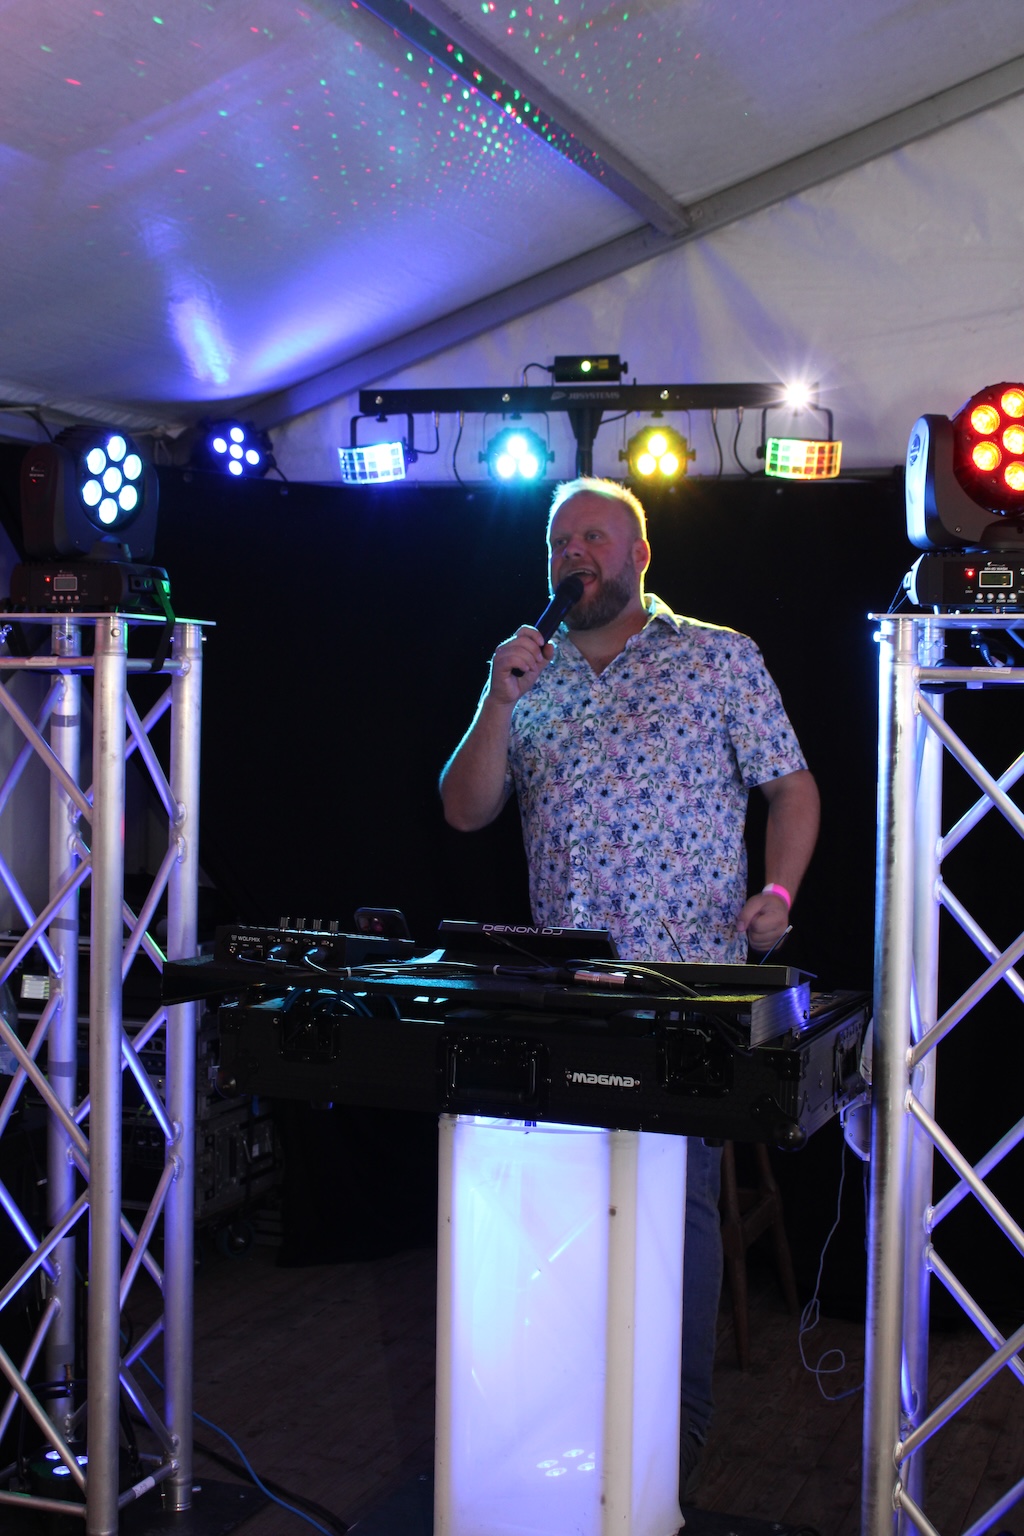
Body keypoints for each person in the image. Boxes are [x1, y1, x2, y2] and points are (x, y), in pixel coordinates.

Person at [440, 475, 819, 1501]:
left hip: (686, 985)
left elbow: (792, 788)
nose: (574, 555)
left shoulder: (716, 656)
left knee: (672, 1205)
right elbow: (465, 810)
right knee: (565, 1202)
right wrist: (496, 697)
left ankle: (670, 1438)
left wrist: (778, 892)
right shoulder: (530, 672)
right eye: (560, 542)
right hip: (569, 989)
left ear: (640, 556)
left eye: (594, 538)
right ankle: (569, 1421)